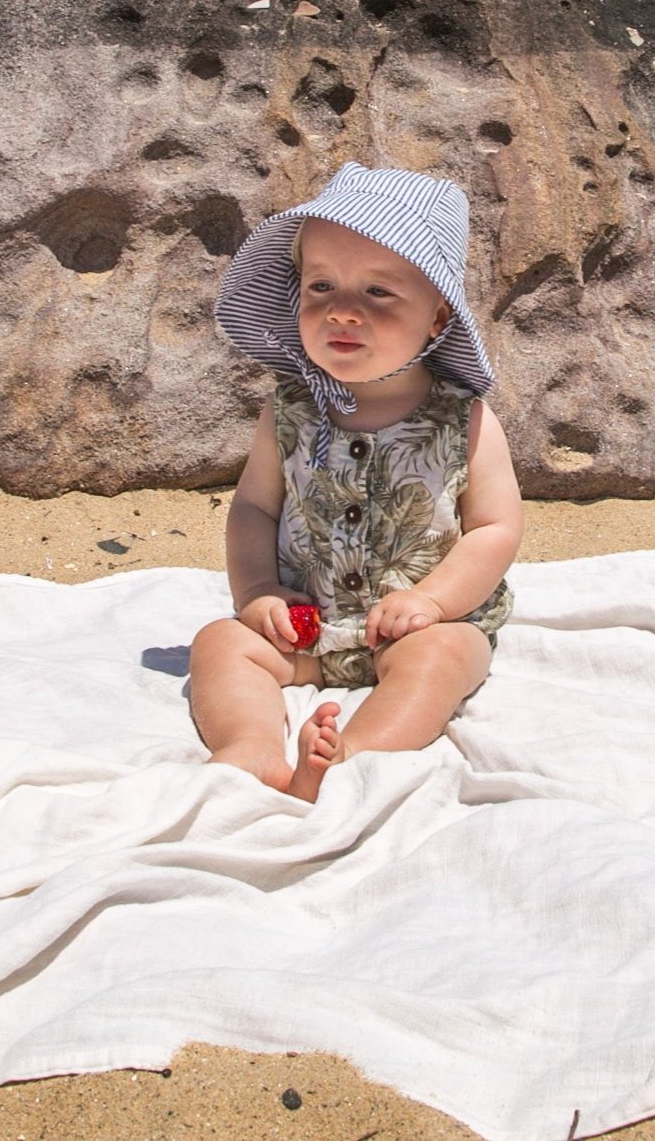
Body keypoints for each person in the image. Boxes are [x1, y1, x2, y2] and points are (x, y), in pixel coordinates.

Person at [190, 162, 523, 801]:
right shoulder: (289, 408)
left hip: (418, 627)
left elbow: (496, 527)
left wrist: (433, 602)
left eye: (378, 293)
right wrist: (259, 590)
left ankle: (349, 754)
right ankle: (250, 744)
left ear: (437, 318)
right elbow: (254, 509)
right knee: (219, 644)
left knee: (444, 661)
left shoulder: (463, 418)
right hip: (308, 626)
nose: (342, 312)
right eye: (321, 286)